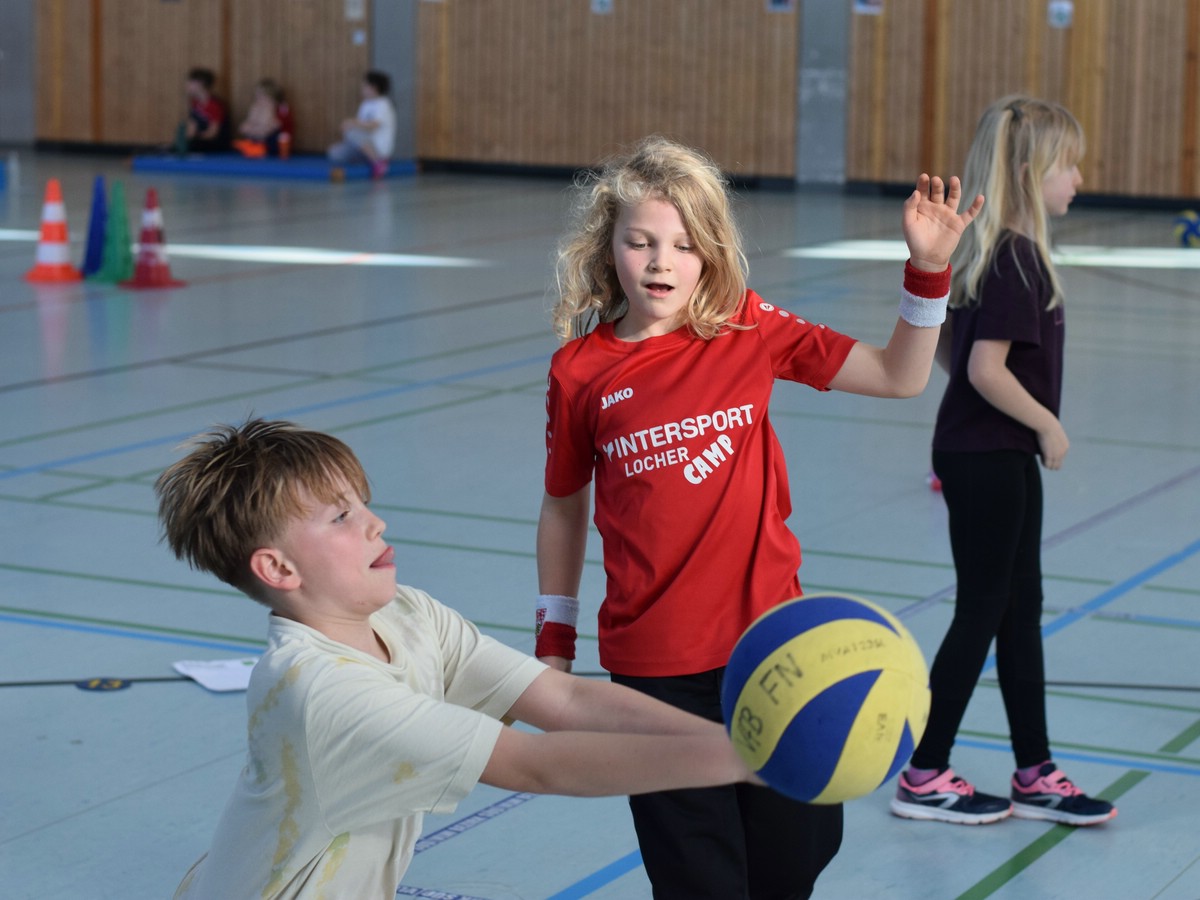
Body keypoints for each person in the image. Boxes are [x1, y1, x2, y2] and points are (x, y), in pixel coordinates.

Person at [535, 135, 983, 899]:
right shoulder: (581, 371)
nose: (660, 262)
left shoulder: (746, 326)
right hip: (654, 671)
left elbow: (899, 376)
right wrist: (555, 640)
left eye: (683, 245)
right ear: (608, 245)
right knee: (700, 877)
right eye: (640, 242)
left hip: (775, 651)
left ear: (710, 252)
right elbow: (563, 503)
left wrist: (928, 271)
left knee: (798, 852)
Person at [156, 418, 762, 900]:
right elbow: (536, 766)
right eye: (342, 517)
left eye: (362, 504)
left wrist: (736, 741)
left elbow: (566, 699)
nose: (375, 523)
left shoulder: (407, 614)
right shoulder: (321, 691)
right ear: (278, 568)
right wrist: (749, 760)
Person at [890, 96, 1117, 827]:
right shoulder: (1016, 257)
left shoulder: (990, 252)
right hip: (991, 456)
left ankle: (1034, 771)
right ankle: (924, 772)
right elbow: (984, 369)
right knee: (985, 610)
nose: (1078, 179)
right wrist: (1047, 424)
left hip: (989, 452)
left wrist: (1000, 415)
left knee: (1019, 611)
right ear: (1029, 172)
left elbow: (952, 350)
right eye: (1068, 165)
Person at [327, 69, 396, 179]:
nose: (362, 89)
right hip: (365, 146)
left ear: (373, 87)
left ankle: (378, 162)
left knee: (352, 131)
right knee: (334, 152)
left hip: (378, 147)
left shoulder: (383, 104)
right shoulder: (365, 104)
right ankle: (368, 159)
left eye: (365, 86)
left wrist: (352, 123)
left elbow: (373, 126)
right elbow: (360, 127)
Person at [176, 67, 231, 154]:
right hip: (200, 140)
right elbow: (192, 127)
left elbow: (213, 133)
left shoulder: (214, 105)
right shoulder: (195, 103)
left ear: (200, 83)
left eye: (190, 82)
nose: (187, 85)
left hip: (216, 143)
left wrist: (195, 138)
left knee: (194, 146)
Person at [233, 78, 288, 158]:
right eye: (257, 95)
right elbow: (247, 124)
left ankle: (260, 148)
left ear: (271, 96)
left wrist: (257, 130)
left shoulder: (276, 108)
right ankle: (253, 146)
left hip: (273, 139)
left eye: (262, 95)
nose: (258, 98)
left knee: (269, 129)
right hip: (257, 135)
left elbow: (270, 127)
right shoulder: (256, 107)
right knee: (246, 128)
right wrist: (250, 128)